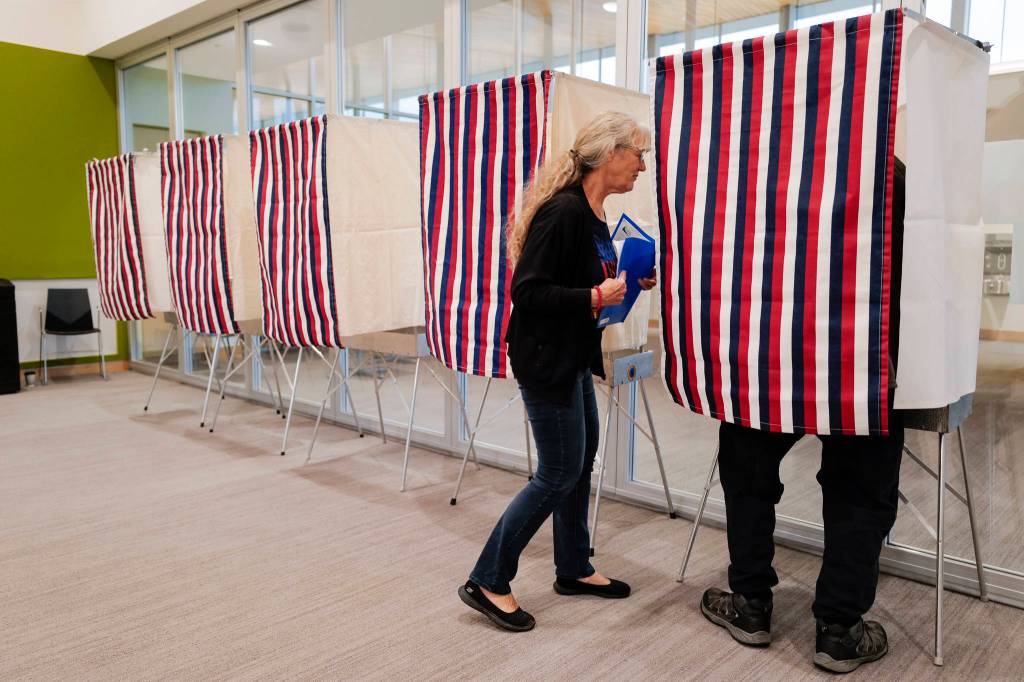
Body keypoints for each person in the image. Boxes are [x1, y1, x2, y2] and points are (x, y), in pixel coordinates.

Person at [699, 159, 907, 673]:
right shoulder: (888, 169)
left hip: (772, 352)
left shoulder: (764, 169)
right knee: (859, 492)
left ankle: (750, 604)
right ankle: (839, 630)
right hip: (864, 358)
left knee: (747, 471)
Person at [457, 112, 655, 632]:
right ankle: (487, 578)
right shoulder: (563, 212)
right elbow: (527, 292)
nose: (642, 164)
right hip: (546, 359)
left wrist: (629, 281)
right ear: (608, 154)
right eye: (637, 153)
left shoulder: (592, 216)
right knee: (559, 471)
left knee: (579, 460)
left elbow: (587, 281)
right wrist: (593, 295)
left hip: (570, 356)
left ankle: (572, 568)